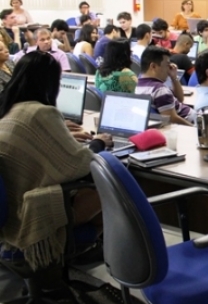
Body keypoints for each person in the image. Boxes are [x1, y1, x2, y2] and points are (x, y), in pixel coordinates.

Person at [0, 51, 112, 270]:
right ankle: (79, 252)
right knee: (109, 188)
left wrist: (62, 135)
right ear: (51, 82)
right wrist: (98, 142)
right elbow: (78, 164)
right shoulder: (41, 113)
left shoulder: (9, 109)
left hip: (10, 211)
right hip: (29, 216)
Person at [135, 46, 195, 126]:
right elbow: (172, 119)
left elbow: (180, 99)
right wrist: (194, 129)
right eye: (167, 65)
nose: (169, 68)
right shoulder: (160, 90)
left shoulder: (137, 85)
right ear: (153, 66)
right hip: (188, 121)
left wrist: (174, 77)